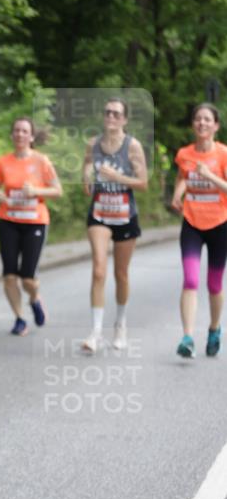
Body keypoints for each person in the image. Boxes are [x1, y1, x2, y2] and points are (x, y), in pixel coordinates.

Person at [81, 98, 148, 353]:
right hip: (99, 213)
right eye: (108, 112)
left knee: (121, 274)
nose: (111, 116)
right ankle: (96, 332)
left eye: (116, 114)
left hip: (125, 215)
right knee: (99, 270)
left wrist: (116, 176)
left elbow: (143, 183)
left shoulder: (133, 146)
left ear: (124, 119)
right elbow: (87, 173)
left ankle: (120, 324)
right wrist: (86, 175)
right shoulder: (93, 144)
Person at [0, 118, 62, 334]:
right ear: (12, 135)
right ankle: (20, 318)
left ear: (31, 137)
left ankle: (34, 298)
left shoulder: (41, 161)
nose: (20, 134)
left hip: (34, 222)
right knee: (9, 275)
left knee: (28, 279)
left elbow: (57, 190)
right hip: (9, 221)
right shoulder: (3, 162)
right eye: (16, 131)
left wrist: (36, 191)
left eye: (24, 131)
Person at [171, 103, 227, 358]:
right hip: (191, 223)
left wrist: (210, 176)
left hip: (220, 224)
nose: (202, 123)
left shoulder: (223, 154)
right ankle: (188, 337)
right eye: (197, 119)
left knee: (214, 284)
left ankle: (214, 328)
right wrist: (177, 194)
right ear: (193, 124)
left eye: (207, 119)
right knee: (191, 280)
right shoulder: (185, 154)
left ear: (216, 126)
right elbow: (183, 177)